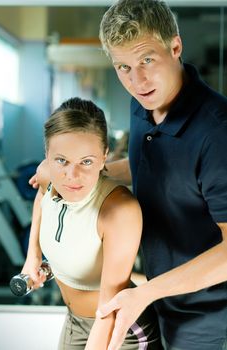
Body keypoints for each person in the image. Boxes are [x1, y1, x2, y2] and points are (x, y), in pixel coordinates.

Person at [29, 1, 227, 349]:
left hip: (209, 319)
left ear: (175, 47)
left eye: (147, 60)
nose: (137, 80)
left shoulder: (217, 133)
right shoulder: (144, 103)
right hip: (161, 301)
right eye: (123, 67)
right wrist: (77, 168)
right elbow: (149, 166)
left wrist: (145, 293)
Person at [22, 96, 162, 349]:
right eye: (61, 160)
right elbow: (42, 198)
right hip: (75, 321)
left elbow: (108, 310)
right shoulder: (49, 176)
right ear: (47, 156)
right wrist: (33, 255)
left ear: (105, 155)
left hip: (121, 327)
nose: (72, 176)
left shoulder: (119, 210)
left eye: (86, 161)